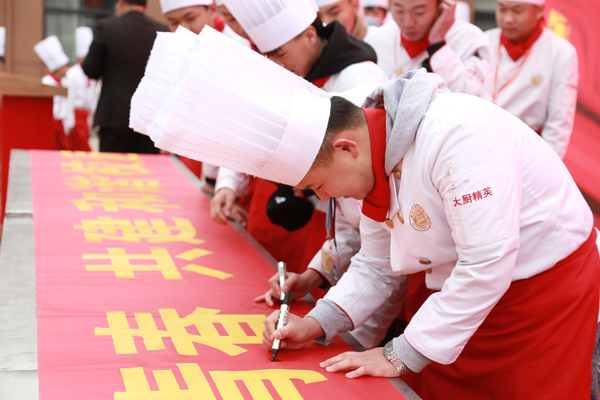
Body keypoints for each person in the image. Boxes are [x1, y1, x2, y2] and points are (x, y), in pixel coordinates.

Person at [132, 27, 600, 399]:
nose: (324, 196)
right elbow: (376, 264)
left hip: (541, 289)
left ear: (346, 148)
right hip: (459, 291)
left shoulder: (458, 136)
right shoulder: (373, 160)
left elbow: (487, 261)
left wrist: (399, 353)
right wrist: (315, 323)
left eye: (318, 186)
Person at [211, 0, 389, 273]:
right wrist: (228, 183)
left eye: (280, 53)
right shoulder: (291, 71)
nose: (278, 65)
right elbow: (255, 130)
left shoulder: (356, 77)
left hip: (353, 220)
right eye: (269, 56)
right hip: (316, 212)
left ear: (309, 35)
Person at [485, 0, 578, 159]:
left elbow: (558, 124)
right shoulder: (483, 41)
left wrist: (546, 164)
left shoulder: (561, 52)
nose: (508, 19)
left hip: (526, 153)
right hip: (480, 142)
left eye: (517, 11)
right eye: (502, 9)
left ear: (540, 11)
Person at [82, 0, 168, 154]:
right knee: (147, 167)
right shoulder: (162, 30)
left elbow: (90, 70)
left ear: (120, 3)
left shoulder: (106, 27)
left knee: (112, 167)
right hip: (148, 117)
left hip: (114, 115)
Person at [365, 0, 492, 96]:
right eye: (399, 10)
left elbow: (470, 97)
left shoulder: (470, 39)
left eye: (419, 13)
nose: (408, 23)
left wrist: (438, 45)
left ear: (441, 6)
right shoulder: (376, 39)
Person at [34, 35, 73, 150]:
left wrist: (69, 122)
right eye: (66, 66)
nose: (68, 69)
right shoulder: (46, 82)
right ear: (59, 68)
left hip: (62, 125)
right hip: (50, 123)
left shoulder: (65, 82)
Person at [64, 26, 96, 151]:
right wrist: (69, 121)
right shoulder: (72, 73)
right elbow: (69, 98)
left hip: (87, 115)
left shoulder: (92, 72)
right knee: (81, 148)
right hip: (76, 115)